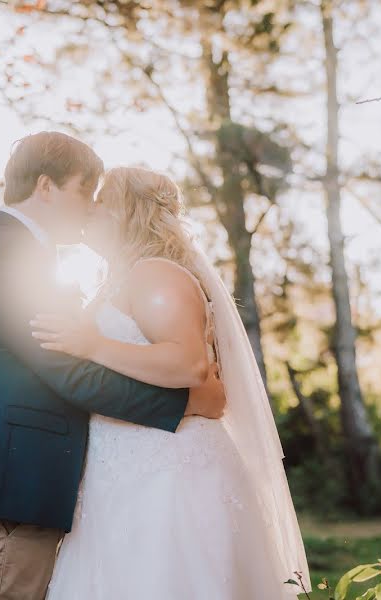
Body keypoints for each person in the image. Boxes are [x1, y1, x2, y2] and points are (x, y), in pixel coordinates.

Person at [0, 133, 226, 600]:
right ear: (46, 187)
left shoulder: (25, 253)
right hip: (4, 484)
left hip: (19, 484)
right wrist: (184, 404)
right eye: (85, 191)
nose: (89, 208)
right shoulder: (10, 255)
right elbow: (69, 371)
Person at [35, 166, 311, 599]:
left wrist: (91, 344)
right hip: (121, 471)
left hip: (168, 472)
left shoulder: (156, 274)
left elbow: (187, 364)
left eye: (103, 201)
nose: (91, 210)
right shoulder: (118, 282)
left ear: (130, 212)